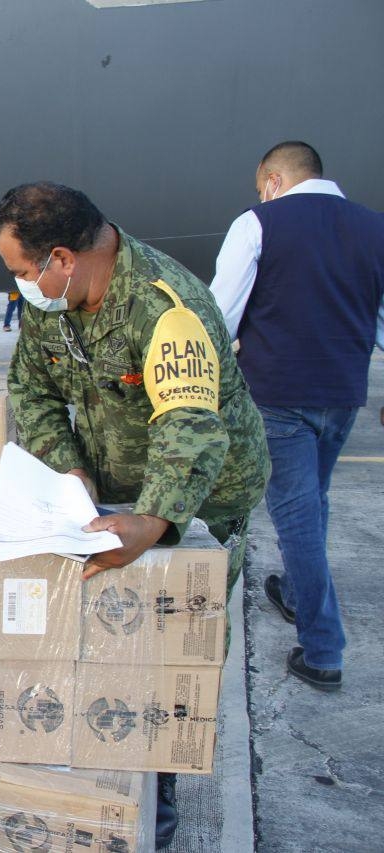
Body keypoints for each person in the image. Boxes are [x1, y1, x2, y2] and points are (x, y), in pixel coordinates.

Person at [0, 182, 270, 850]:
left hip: (201, 499)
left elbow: (190, 429)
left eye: (24, 271)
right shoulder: (51, 304)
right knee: (104, 632)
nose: (22, 285)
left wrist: (153, 521)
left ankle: (155, 809)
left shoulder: (164, 307)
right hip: (113, 486)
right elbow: (29, 388)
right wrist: (70, 469)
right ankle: (99, 767)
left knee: (173, 652)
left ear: (61, 257)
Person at [209, 141, 384, 692]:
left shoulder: (258, 223)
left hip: (279, 396)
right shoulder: (374, 227)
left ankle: (323, 648)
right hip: (342, 396)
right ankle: (295, 589)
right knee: (315, 502)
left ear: (272, 180)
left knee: (296, 517)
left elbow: (221, 314)